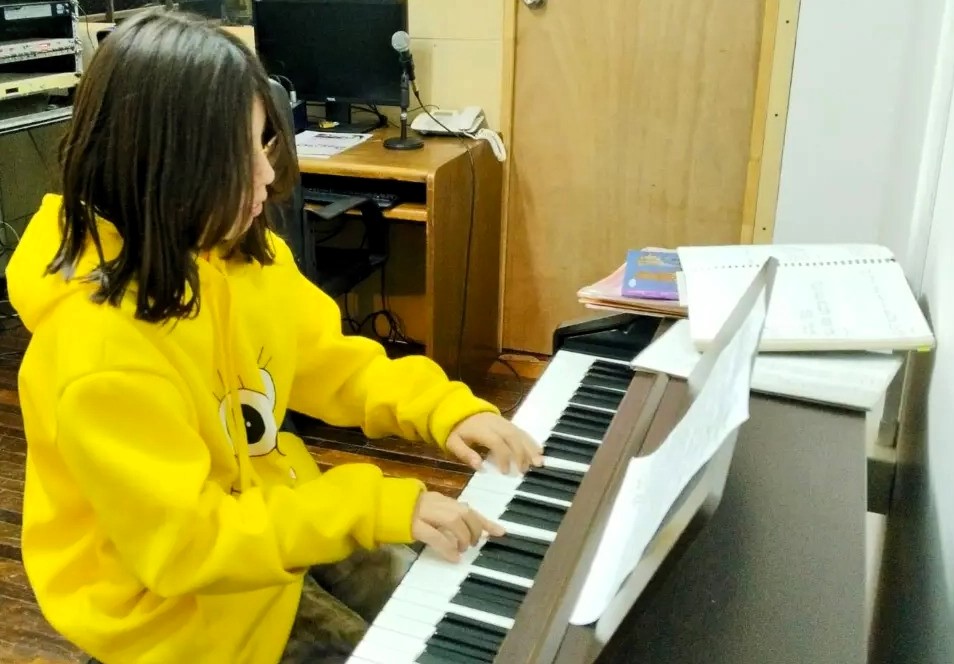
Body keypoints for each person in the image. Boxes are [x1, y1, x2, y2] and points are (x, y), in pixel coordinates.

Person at [7, 10, 541, 664]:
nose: (267, 176)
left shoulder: (232, 254)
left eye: (266, 143)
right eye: (241, 155)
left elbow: (330, 361)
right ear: (164, 167)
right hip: (181, 615)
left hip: (263, 517)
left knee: (446, 595)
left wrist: (440, 409)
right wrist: (372, 504)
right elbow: (190, 548)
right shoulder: (98, 353)